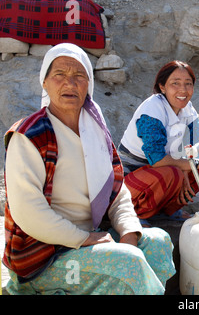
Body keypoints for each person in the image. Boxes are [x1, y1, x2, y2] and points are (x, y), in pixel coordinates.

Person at [2, 43, 175, 295]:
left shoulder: (95, 130)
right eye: (59, 74)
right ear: (45, 82)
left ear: (88, 84)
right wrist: (84, 239)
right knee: (129, 263)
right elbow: (29, 213)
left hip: (89, 241)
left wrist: (128, 230)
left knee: (158, 242)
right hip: (45, 258)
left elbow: (116, 189)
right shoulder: (29, 136)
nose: (69, 83)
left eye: (79, 76)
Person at [119, 60, 199, 222]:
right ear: (162, 87)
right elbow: (157, 159)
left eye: (188, 84)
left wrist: (188, 169)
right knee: (175, 173)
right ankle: (135, 216)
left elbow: (198, 146)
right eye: (175, 83)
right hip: (128, 181)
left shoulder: (187, 108)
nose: (183, 90)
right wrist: (191, 165)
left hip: (161, 171)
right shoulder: (152, 110)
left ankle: (166, 212)